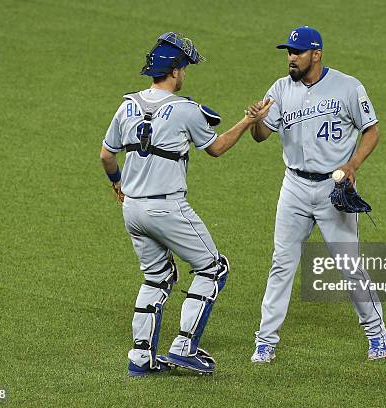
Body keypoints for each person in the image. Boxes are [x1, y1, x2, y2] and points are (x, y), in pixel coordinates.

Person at [100, 32, 273, 376]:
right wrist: (248, 121)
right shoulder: (186, 111)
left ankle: (140, 359)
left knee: (156, 278)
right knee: (213, 268)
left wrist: (118, 183)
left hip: (132, 209)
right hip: (167, 208)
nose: (185, 75)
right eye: (184, 69)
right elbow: (217, 147)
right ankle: (184, 347)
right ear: (175, 70)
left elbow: (106, 155)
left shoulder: (126, 106)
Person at [247, 26, 386, 363]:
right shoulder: (280, 90)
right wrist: (256, 121)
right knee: (281, 264)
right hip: (294, 187)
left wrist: (353, 165)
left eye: (297, 52)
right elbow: (261, 136)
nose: (291, 58)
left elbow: (371, 131)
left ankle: (376, 332)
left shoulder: (347, 87)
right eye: (288, 52)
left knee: (348, 266)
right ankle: (266, 341)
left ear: (317, 54)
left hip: (333, 186)